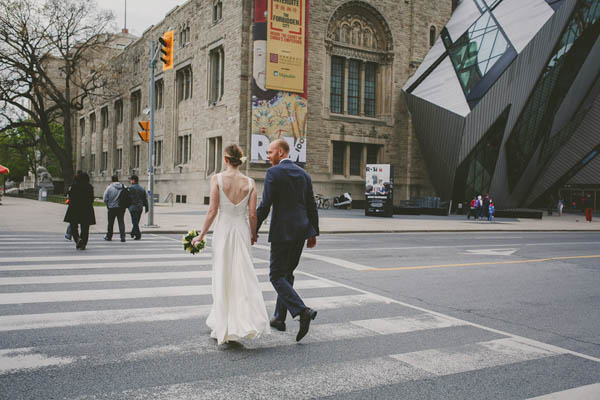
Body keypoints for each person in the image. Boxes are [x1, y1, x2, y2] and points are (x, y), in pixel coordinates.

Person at [191, 144, 270, 345]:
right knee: (242, 275)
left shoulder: (217, 179)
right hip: (241, 230)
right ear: (240, 160)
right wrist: (253, 233)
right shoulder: (250, 183)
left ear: (225, 159)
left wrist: (201, 235)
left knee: (223, 274)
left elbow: (212, 210)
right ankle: (242, 320)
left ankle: (223, 324)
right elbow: (252, 214)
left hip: (224, 230)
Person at [256, 139, 319, 342]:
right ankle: (279, 318)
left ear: (281, 152)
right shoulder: (304, 174)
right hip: (301, 231)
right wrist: (313, 232)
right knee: (287, 274)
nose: (267, 155)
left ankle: (302, 311)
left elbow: (265, 205)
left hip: (282, 232)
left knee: (276, 275)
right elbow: (311, 205)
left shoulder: (273, 173)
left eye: (270, 152)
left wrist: (253, 230)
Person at [63, 172, 95, 250]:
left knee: (73, 226)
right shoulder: (89, 187)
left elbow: (70, 196)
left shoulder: (74, 186)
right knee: (85, 227)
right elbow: (91, 199)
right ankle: (83, 242)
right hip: (86, 209)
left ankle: (77, 239)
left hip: (75, 208)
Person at [103, 175, 127, 242]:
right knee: (121, 222)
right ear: (118, 179)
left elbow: (105, 198)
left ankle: (109, 236)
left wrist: (108, 204)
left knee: (110, 223)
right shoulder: (123, 186)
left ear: (112, 180)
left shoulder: (109, 188)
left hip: (111, 207)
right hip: (121, 207)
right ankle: (122, 237)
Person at [127, 175, 149, 240]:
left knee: (134, 222)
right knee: (136, 221)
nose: (130, 181)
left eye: (130, 180)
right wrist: (146, 207)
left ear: (133, 180)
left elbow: (127, 198)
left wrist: (127, 205)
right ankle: (133, 232)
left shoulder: (130, 188)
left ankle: (138, 235)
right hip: (140, 207)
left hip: (133, 207)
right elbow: (145, 198)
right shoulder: (142, 188)